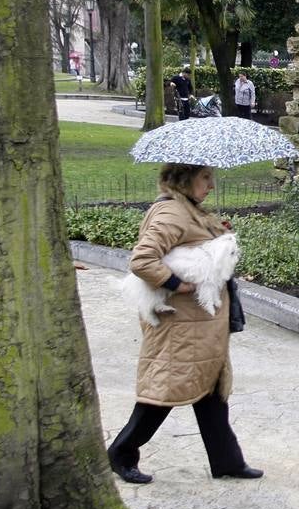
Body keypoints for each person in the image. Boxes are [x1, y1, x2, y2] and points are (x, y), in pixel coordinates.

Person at [108, 163, 262, 483]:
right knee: (164, 391)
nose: (211, 185)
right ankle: (121, 452)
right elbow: (143, 260)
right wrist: (177, 284)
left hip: (199, 326)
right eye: (205, 177)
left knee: (211, 391)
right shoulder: (172, 213)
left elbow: (193, 247)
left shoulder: (188, 208)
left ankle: (227, 461)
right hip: (181, 326)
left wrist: (218, 237)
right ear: (185, 178)